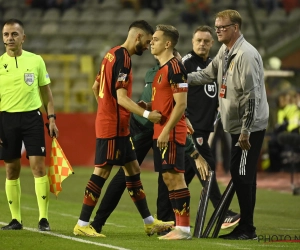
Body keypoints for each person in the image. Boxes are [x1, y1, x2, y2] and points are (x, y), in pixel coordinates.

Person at [88, 50, 208, 235]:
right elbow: (169, 107)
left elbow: (172, 107)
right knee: (128, 175)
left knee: (163, 174)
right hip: (144, 126)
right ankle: (98, 221)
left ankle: (164, 223)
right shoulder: (161, 73)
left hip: (155, 125)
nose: (178, 63)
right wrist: (194, 152)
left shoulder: (163, 72)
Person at [73, 20, 174, 238]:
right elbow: (120, 98)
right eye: (147, 41)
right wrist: (147, 114)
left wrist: (112, 109)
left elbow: (96, 87)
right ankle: (82, 223)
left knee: (133, 169)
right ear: (138, 36)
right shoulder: (124, 59)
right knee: (102, 171)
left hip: (117, 125)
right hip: (113, 127)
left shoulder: (111, 53)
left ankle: (149, 222)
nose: (148, 46)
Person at [188, 9, 269, 240]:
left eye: (222, 27)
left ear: (235, 28)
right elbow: (206, 74)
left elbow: (252, 96)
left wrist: (246, 129)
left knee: (241, 173)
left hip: (249, 127)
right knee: (243, 173)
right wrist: (182, 79)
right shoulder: (225, 50)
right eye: (216, 27)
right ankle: (247, 227)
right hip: (235, 125)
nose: (218, 30)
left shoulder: (246, 54)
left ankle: (247, 229)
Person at [0, 19, 59, 231]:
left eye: (14, 34)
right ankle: (15, 219)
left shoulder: (36, 61)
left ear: (23, 38)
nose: (9, 38)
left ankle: (44, 219)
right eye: (6, 34)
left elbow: (47, 93)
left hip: (32, 118)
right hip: (6, 119)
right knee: (11, 169)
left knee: (38, 167)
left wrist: (51, 118)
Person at [182, 25, 240, 229]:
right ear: (192, 41)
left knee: (182, 175)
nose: (202, 44)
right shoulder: (186, 63)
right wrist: (184, 118)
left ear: (212, 44)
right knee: (208, 168)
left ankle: (166, 215)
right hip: (192, 128)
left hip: (205, 128)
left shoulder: (213, 65)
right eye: (198, 40)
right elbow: (175, 93)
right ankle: (222, 212)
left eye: (206, 41)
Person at [150, 24, 192, 240]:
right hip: (161, 132)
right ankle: (179, 226)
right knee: (168, 178)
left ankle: (183, 228)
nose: (151, 42)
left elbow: (181, 104)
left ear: (168, 43)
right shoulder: (162, 70)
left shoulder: (176, 68)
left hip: (171, 133)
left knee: (176, 178)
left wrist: (166, 131)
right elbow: (167, 103)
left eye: (155, 39)